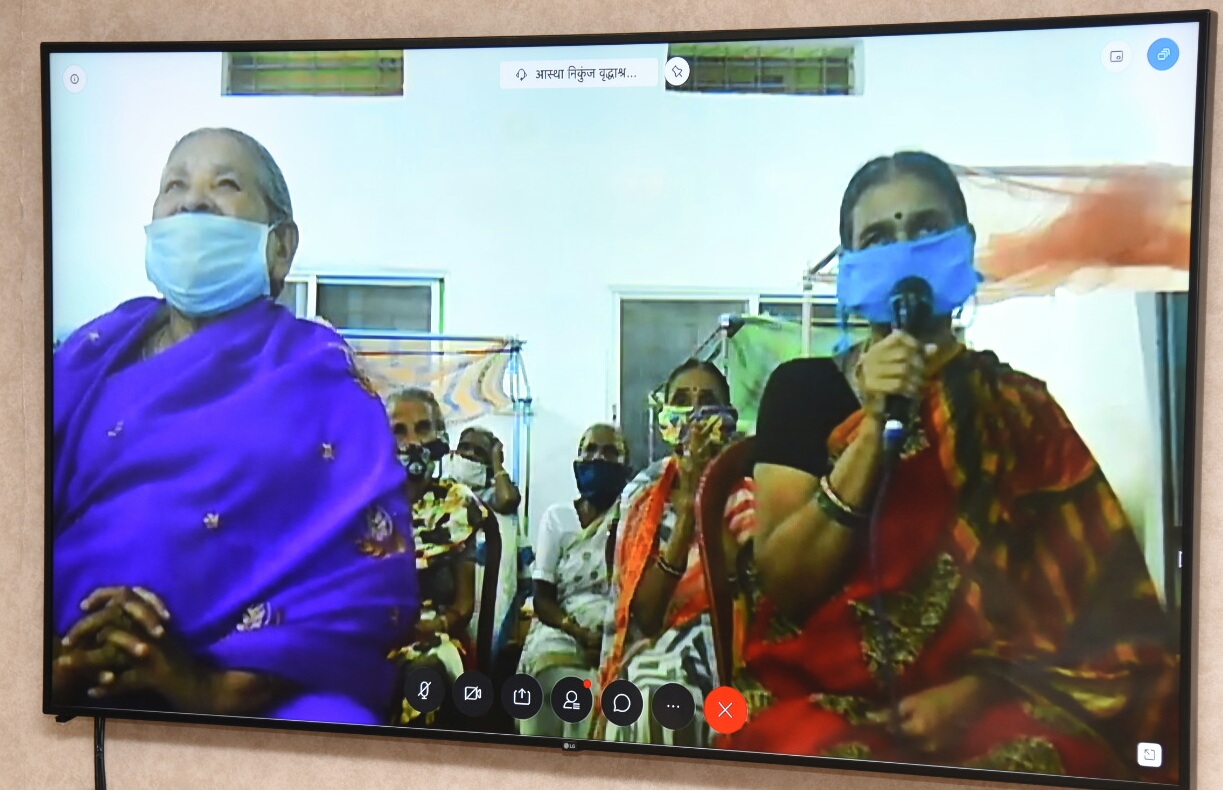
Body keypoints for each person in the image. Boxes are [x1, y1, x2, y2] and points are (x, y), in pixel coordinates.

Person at [728, 151, 1179, 782]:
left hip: (1003, 694)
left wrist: (980, 691)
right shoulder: (803, 390)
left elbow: (1094, 613)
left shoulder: (1016, 408)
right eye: (879, 237)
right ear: (851, 267)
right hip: (825, 694)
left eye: (925, 229)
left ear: (963, 249)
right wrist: (875, 430)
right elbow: (786, 583)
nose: (904, 249)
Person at [51, 128, 418, 725]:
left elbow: (365, 582)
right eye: (175, 185)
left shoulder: (319, 381)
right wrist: (42, 670)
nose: (192, 202)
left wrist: (204, 686)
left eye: (225, 185)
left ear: (280, 248)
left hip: (250, 689)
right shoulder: (87, 358)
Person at [597, 359, 757, 747]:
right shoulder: (641, 496)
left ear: (729, 418)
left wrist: (710, 491)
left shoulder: (749, 490)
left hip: (729, 642)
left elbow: (746, 594)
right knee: (644, 693)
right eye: (682, 400)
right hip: (658, 643)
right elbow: (647, 617)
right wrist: (687, 507)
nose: (695, 414)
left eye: (708, 401)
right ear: (665, 416)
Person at [386, 388, 497, 727]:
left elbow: (463, 608)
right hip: (373, 635)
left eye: (423, 428)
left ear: (440, 437)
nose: (412, 442)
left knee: (423, 676)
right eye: (398, 431)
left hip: (436, 639)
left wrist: (424, 627)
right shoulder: (363, 506)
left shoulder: (458, 503)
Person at [516, 423, 631, 739]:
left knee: (609, 689)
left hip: (617, 627)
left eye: (610, 452)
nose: (599, 458)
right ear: (577, 464)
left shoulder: (635, 518)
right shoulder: (558, 517)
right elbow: (542, 598)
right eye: (590, 450)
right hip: (562, 624)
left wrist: (609, 637)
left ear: (627, 468)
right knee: (550, 672)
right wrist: (577, 631)